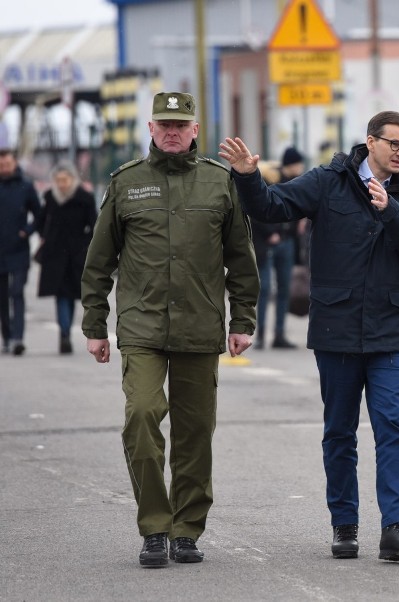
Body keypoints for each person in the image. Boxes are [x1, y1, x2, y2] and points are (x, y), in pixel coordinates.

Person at [218, 110, 399, 562]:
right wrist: (248, 176)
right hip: (336, 328)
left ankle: (397, 526)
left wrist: (389, 209)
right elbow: (270, 207)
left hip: (391, 329)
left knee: (392, 425)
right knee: (339, 432)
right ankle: (345, 525)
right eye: (394, 144)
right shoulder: (328, 180)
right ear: (371, 141)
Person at [81, 92, 259, 567]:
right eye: (165, 124)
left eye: (181, 124)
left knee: (195, 432)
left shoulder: (220, 183)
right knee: (140, 415)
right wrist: (94, 324)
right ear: (151, 128)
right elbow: (99, 261)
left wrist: (242, 320)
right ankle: (155, 526)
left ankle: (187, 529)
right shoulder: (127, 183)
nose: (173, 131)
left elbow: (242, 260)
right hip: (141, 325)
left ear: (195, 130)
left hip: (200, 326)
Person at [34, 163, 97, 354]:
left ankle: (65, 331)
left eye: (65, 180)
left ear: (72, 179)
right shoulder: (50, 198)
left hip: (76, 256)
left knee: (70, 296)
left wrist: (84, 245)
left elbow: (94, 225)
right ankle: (64, 334)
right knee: (61, 296)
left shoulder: (84, 198)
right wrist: (46, 237)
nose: (61, 184)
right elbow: (40, 221)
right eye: (58, 180)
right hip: (54, 255)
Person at [251, 148, 304, 349]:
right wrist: (269, 232)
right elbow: (257, 209)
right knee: (264, 289)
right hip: (267, 244)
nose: (300, 168)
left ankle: (279, 334)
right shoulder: (270, 179)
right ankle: (261, 334)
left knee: (284, 289)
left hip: (287, 242)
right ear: (291, 164)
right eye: (298, 164)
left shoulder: (298, 183)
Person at [0, 148, 41, 356]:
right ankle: (6, 337)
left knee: (16, 293)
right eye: (1, 165)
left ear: (14, 164)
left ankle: (18, 338)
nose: (4, 168)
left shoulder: (25, 186)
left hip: (18, 251)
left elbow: (39, 214)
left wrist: (28, 231)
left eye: (7, 164)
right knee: (2, 297)